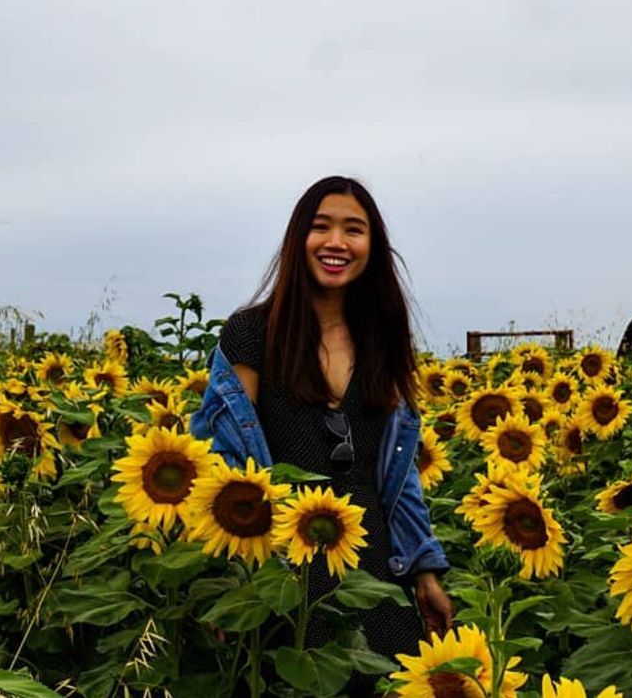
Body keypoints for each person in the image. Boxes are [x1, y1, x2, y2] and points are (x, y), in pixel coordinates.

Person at [190, 175, 453, 693]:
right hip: (281, 565)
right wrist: (222, 583)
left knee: (381, 682)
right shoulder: (251, 334)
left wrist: (424, 571)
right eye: (321, 227)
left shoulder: (384, 340)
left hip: (374, 566)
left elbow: (401, 479)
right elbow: (221, 459)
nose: (336, 243)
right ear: (298, 240)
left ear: (371, 248)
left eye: (353, 230)